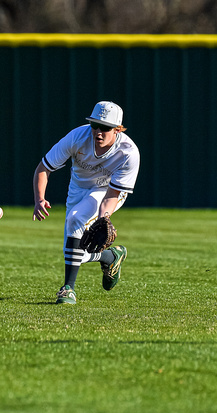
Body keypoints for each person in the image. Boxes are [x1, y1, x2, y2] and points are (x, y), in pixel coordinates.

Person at [32, 101, 140, 304]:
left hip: (107, 192)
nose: (98, 131)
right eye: (94, 125)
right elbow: (43, 168)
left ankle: (68, 290)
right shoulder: (77, 137)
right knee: (73, 253)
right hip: (77, 190)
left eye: (105, 127)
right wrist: (39, 200)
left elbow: (111, 196)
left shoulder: (128, 153)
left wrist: (103, 219)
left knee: (75, 219)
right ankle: (110, 257)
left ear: (117, 129)